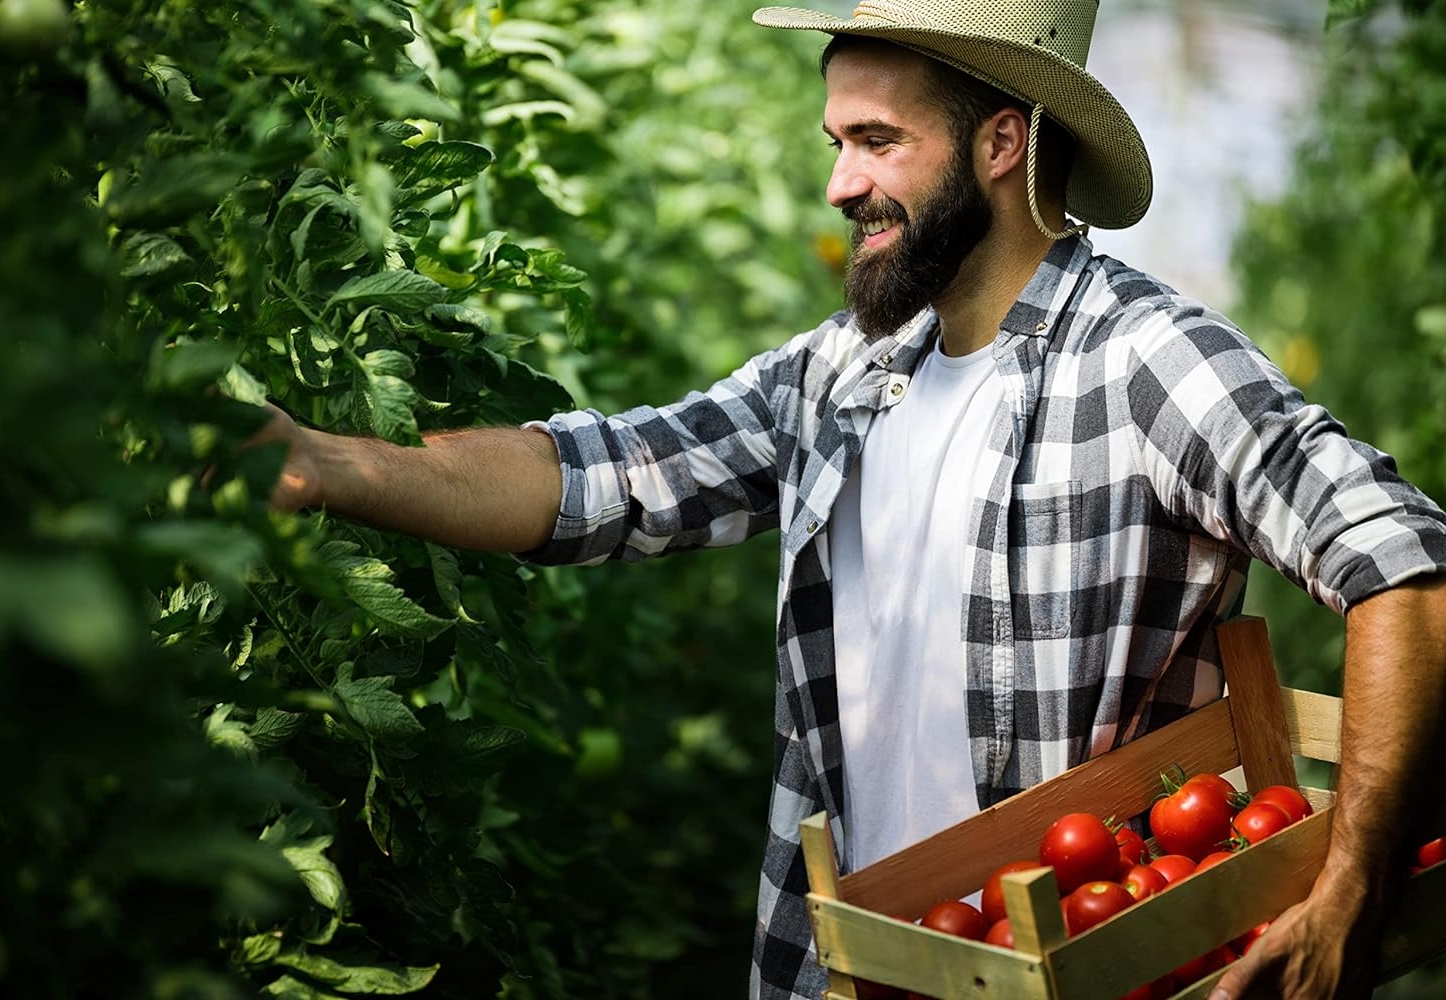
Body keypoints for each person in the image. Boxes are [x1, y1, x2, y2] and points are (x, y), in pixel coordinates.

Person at [250, 2, 1446, 998]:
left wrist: (1353, 884)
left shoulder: (1143, 362)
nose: (840, 183)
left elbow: (1406, 568)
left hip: (1076, 962)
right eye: (837, 140)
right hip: (840, 969)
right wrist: (328, 464)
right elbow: (606, 475)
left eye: (877, 142)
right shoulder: (846, 373)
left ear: (1002, 144)